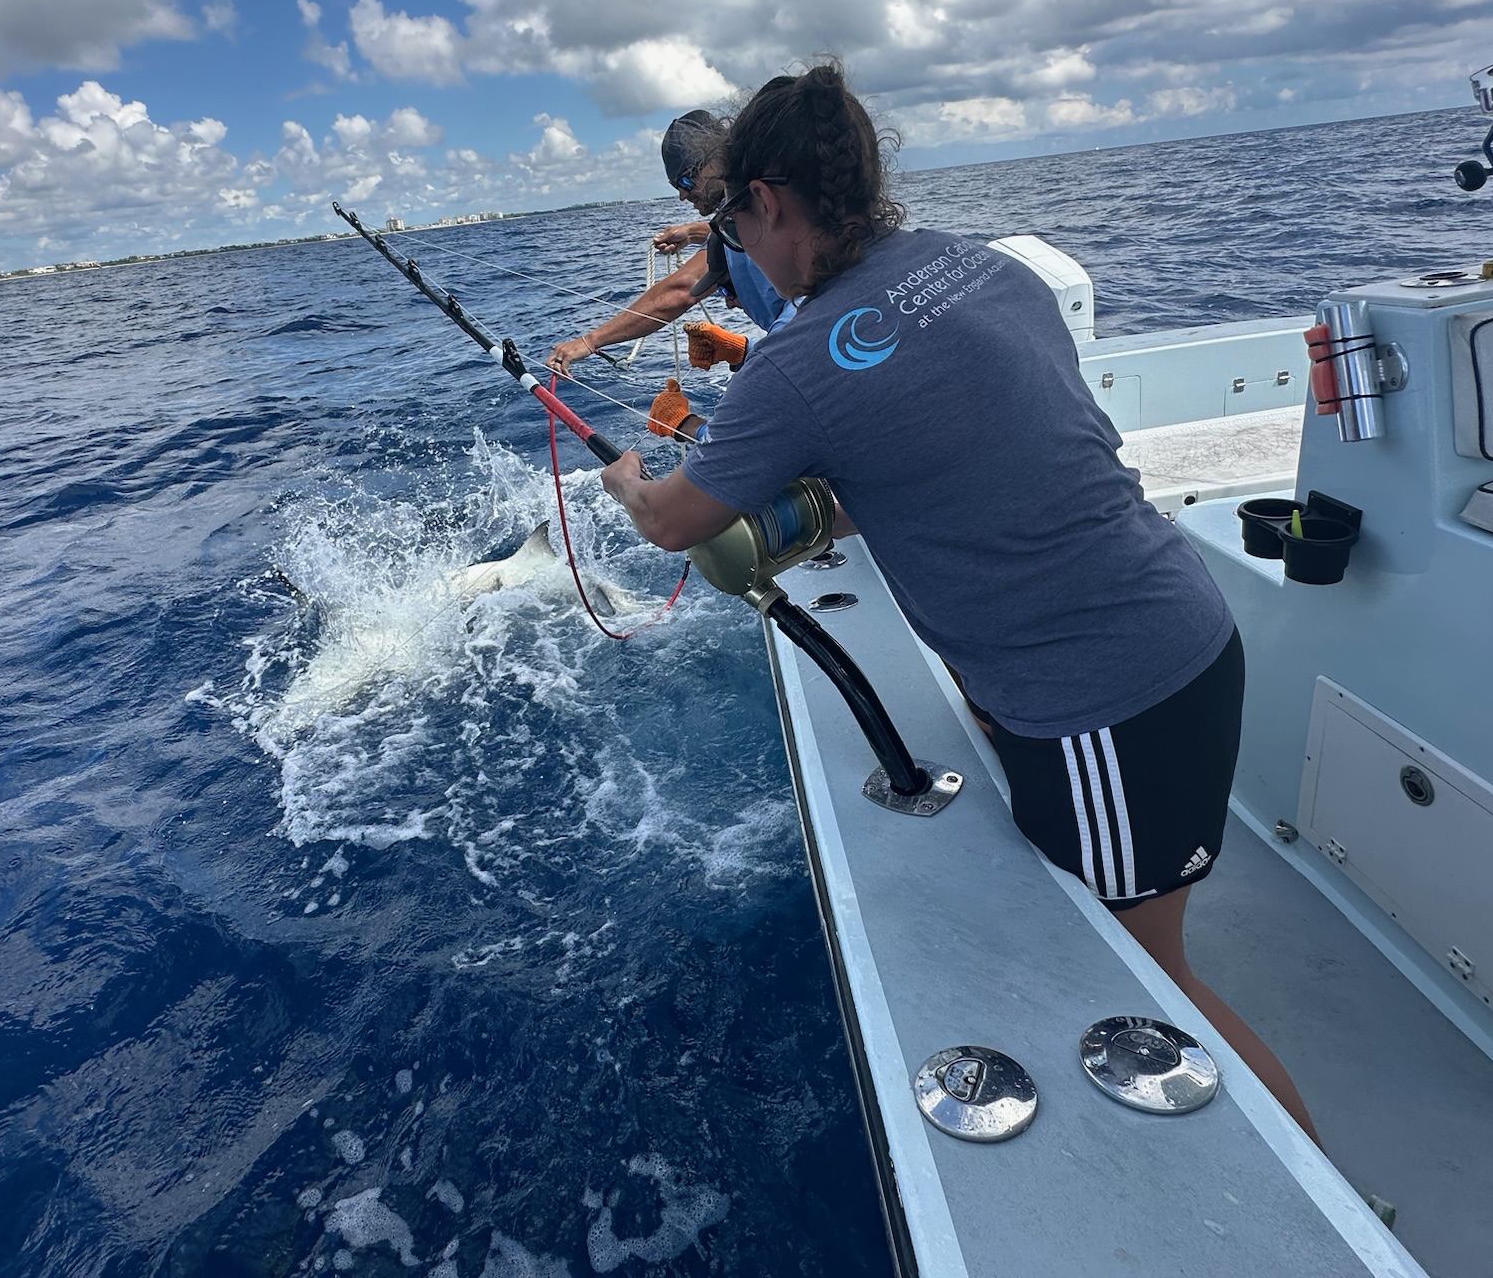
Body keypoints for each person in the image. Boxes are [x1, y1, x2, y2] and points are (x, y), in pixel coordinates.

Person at [597, 62, 1319, 1143]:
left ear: (768, 203)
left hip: (1108, 702)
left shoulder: (794, 365)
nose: (735, 254)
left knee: (1151, 989)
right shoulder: (979, 267)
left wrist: (625, 481)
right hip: (1174, 626)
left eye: (735, 231)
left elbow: (671, 522)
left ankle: (1337, 1220)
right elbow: (972, 450)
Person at [544, 111, 791, 381]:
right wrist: (742, 350)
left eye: (686, 180)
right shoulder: (740, 214)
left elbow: (682, 289)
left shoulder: (752, 210)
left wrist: (590, 341)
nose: (683, 195)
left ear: (717, 158)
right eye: (676, 186)